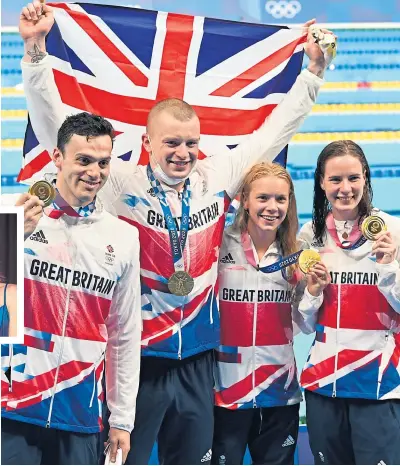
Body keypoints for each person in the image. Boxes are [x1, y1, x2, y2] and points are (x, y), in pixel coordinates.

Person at [18, 2, 333, 463]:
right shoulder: (120, 185)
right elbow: (55, 133)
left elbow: (275, 131)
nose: (183, 153)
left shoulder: (216, 177)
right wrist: (36, 54)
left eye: (190, 143)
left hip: (198, 365)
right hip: (138, 363)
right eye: (171, 143)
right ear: (147, 144)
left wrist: (312, 74)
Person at [1, 112, 142, 465]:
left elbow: (124, 334)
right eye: (83, 160)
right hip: (11, 405)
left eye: (103, 162)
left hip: (80, 411)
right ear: (57, 158)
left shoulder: (123, 237)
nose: (94, 173)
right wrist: (13, 236)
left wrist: (122, 420)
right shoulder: (13, 215)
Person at [211, 162, 330, 465]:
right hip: (225, 392)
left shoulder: (297, 254)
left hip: (279, 392)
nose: (272, 207)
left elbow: (303, 324)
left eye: (281, 199)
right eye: (263, 198)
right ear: (245, 200)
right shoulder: (218, 246)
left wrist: (314, 291)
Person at [298, 140, 400, 465]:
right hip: (323, 381)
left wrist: (388, 266)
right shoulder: (309, 236)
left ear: (366, 178)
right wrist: (313, 291)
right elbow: (302, 324)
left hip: (379, 382)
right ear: (321, 182)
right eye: (336, 179)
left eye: (354, 178)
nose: (345, 188)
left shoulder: (392, 231)